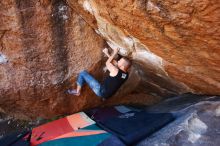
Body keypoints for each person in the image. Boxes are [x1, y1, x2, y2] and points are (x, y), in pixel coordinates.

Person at [67, 47, 132, 100]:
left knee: (83, 73)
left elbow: (108, 63)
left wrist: (114, 52)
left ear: (122, 66)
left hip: (100, 91)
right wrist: (107, 53)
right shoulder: (126, 75)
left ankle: (78, 91)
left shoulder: (116, 70)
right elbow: (114, 63)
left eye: (120, 61)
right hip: (107, 95)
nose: (118, 61)